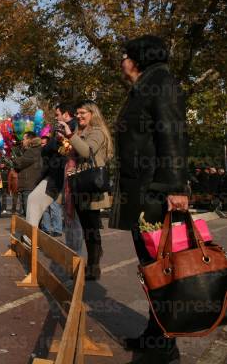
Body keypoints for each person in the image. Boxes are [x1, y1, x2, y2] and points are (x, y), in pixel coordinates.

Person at [109, 35, 188, 364]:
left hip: (155, 194)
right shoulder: (145, 85)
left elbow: (172, 134)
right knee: (152, 269)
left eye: (125, 55)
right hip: (143, 191)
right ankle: (154, 336)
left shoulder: (161, 83)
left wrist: (176, 188)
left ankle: (165, 347)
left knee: (162, 269)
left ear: (137, 58)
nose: (122, 61)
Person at [58, 100, 113, 279]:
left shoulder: (97, 132)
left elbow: (87, 151)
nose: (79, 116)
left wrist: (70, 135)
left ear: (92, 114)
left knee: (91, 228)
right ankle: (89, 260)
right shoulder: (80, 131)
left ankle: (93, 266)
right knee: (85, 226)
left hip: (92, 186)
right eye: (78, 113)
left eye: (83, 113)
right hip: (81, 185)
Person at [25, 104, 76, 229]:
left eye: (57, 114)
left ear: (66, 114)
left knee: (74, 221)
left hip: (71, 177)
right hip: (54, 176)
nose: (55, 117)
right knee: (33, 199)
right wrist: (56, 141)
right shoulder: (58, 130)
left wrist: (67, 138)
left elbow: (79, 150)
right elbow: (45, 150)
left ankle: (85, 248)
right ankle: (30, 237)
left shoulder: (77, 127)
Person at [13, 131, 43, 216]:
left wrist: (15, 159)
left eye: (24, 139)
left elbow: (20, 163)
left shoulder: (32, 151)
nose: (22, 141)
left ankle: (33, 229)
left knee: (30, 213)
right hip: (28, 184)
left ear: (29, 140)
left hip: (29, 185)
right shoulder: (30, 150)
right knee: (29, 212)